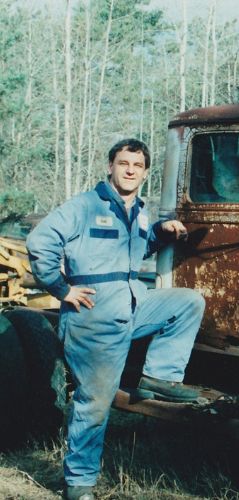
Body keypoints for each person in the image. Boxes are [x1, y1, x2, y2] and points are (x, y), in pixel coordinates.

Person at [26, 138, 206, 500]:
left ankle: (160, 377)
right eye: (123, 163)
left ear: (144, 172)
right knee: (95, 402)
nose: (129, 170)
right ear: (110, 166)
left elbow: (137, 248)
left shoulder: (139, 210)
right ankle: (79, 484)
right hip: (92, 317)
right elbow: (39, 241)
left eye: (137, 166)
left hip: (132, 306)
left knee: (188, 302)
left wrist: (159, 232)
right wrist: (62, 290)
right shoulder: (84, 205)